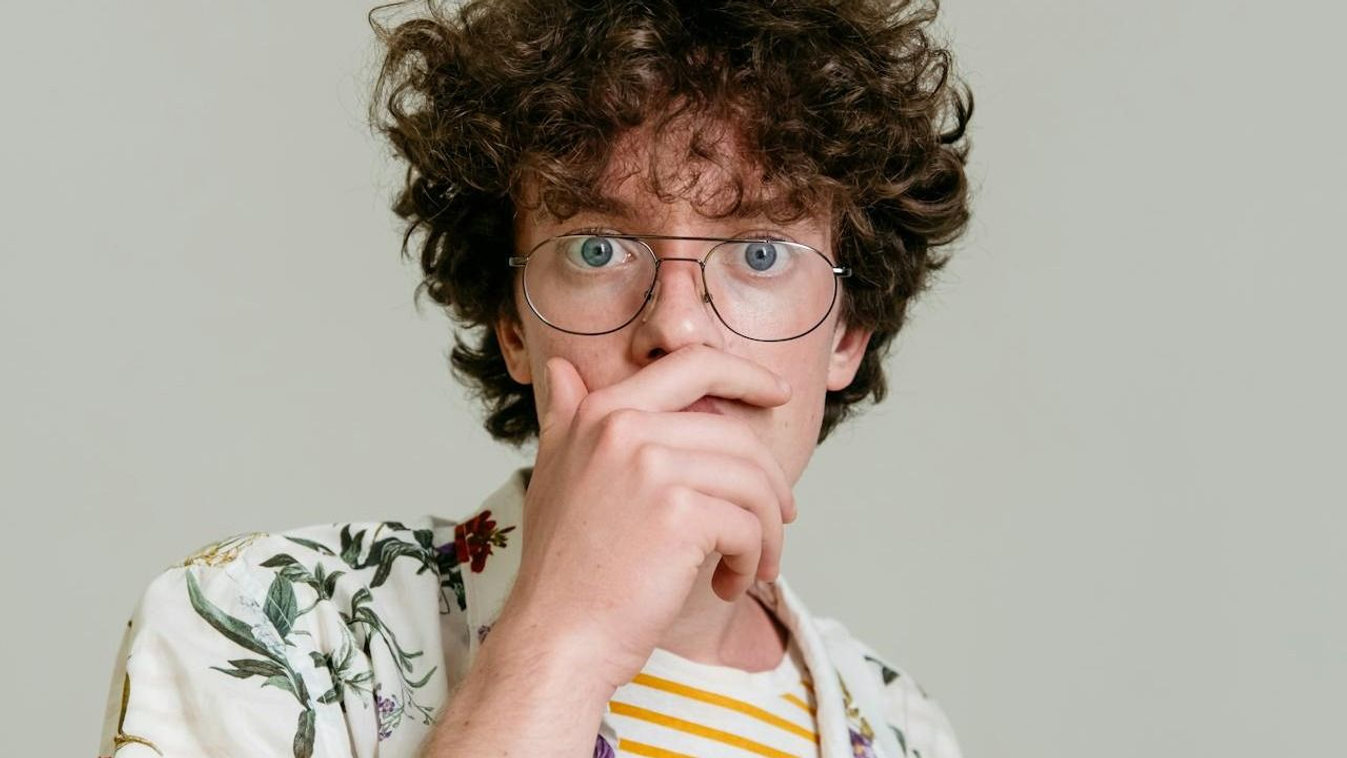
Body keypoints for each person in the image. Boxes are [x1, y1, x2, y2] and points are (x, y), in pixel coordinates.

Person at [96, 0, 973, 756]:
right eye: (597, 249)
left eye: (760, 253)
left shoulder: (907, 730)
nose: (675, 325)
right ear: (512, 324)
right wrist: (561, 642)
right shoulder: (262, 624)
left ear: (847, 333)